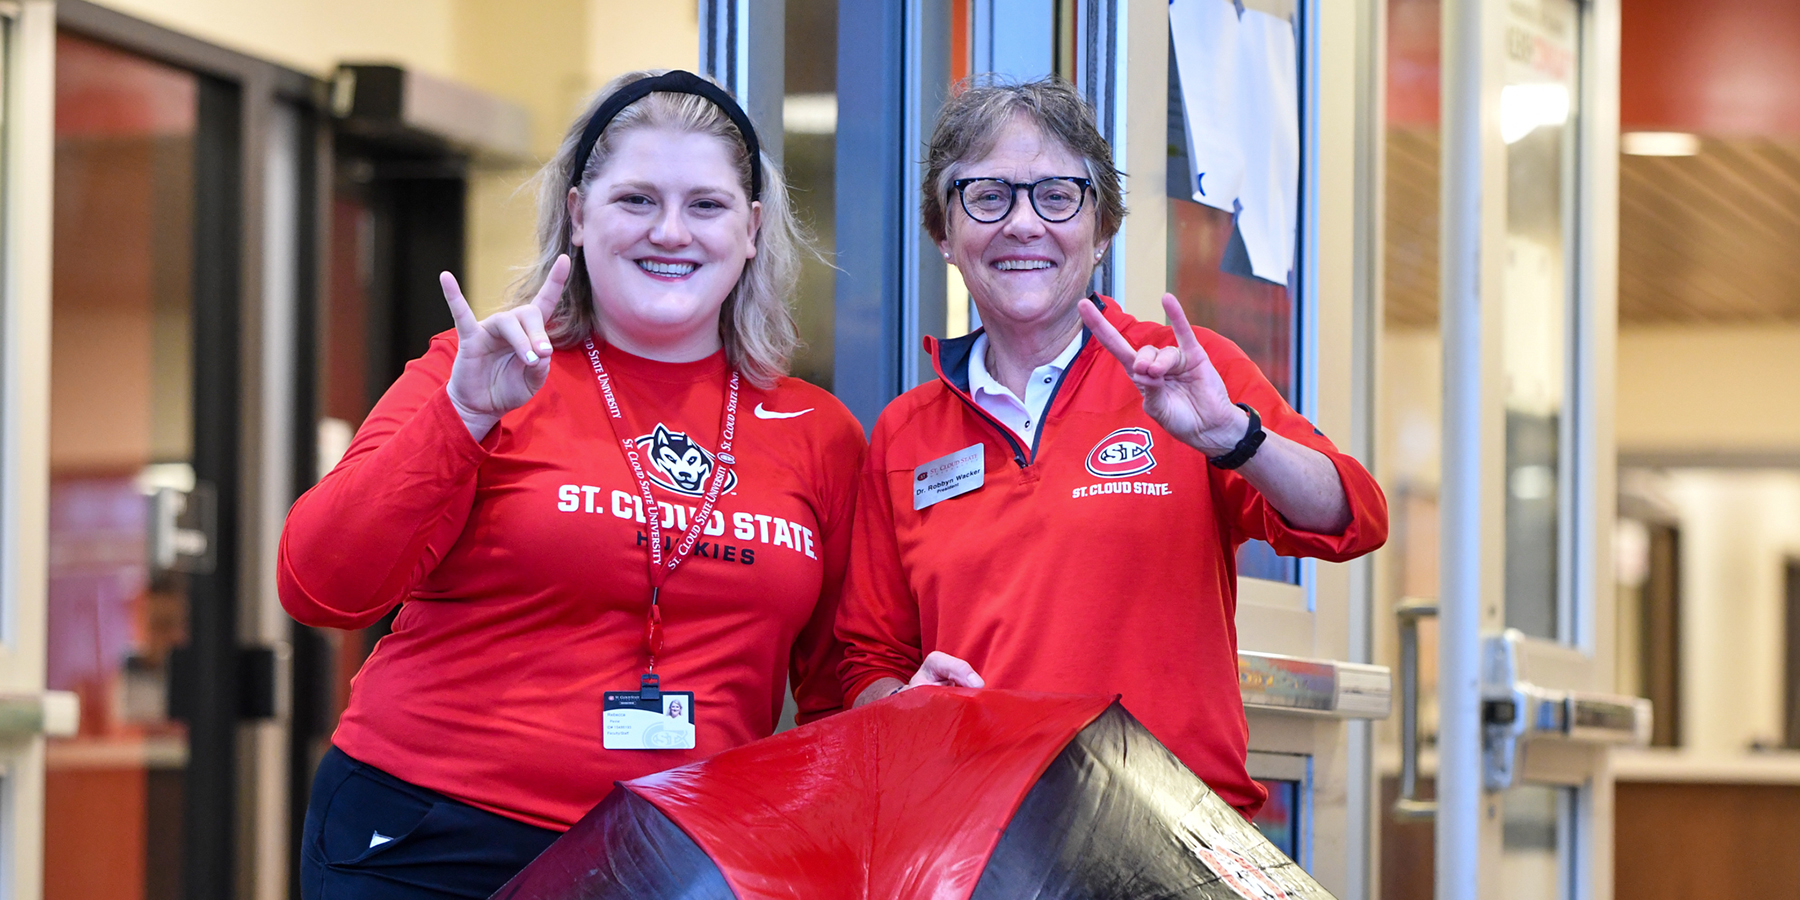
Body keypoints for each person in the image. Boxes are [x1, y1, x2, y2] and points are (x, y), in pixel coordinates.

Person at [280, 69, 865, 899]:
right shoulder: (476, 370)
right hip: (428, 836)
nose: (671, 232)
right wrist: (462, 419)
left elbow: (836, 690)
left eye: (706, 205)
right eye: (635, 201)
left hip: (677, 855)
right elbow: (318, 586)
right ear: (579, 214)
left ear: (751, 230)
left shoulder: (817, 432)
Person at [834, 77, 1387, 818]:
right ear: (944, 234)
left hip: (1174, 832)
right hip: (982, 831)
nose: (1023, 223)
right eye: (987, 197)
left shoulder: (1186, 373)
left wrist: (1236, 440)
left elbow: (1351, 516)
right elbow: (869, 660)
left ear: (1101, 232)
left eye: (1057, 195)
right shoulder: (906, 431)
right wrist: (906, 708)